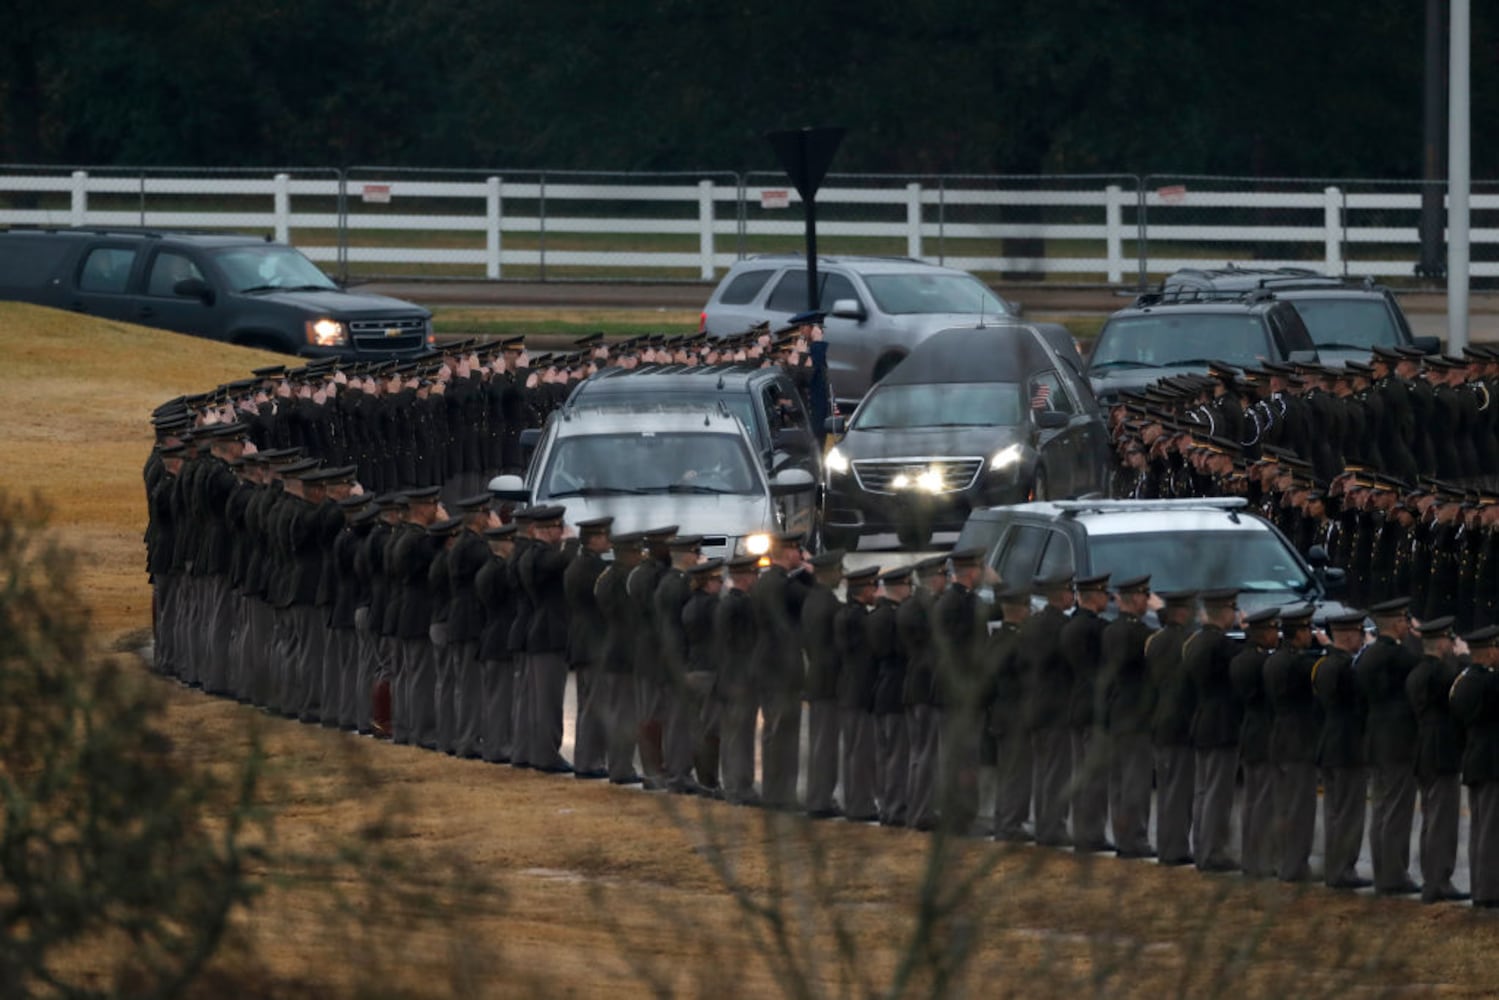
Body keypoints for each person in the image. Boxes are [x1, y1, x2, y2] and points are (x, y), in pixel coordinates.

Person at [1355, 597, 1423, 895]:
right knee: (1397, 810)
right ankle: (1395, 874)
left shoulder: (1367, 656)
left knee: (1381, 809)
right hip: (1398, 741)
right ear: (1397, 623)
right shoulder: (1400, 657)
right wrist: (1422, 641)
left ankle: (1383, 871)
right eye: (1405, 621)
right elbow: (1423, 674)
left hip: (1375, 737)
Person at [1406, 615, 1469, 903]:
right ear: (1441, 642)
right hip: (1442, 749)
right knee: (1442, 820)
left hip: (1422, 747)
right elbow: (1463, 687)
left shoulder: (1418, 671)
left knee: (1432, 819)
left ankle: (1432, 877)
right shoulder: (1441, 673)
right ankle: (1438, 880)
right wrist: (1465, 658)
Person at [1313, 610, 1373, 890]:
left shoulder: (1325, 664)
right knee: (1349, 814)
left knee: (1334, 812)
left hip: (1330, 743)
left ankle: (1334, 868)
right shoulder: (1348, 668)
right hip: (1349, 746)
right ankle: (1343, 870)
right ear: (1349, 635)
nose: (1361, 641)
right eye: (1359, 635)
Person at [750, 532, 810, 810]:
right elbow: (808, 602)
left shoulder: (764, 583)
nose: (801, 555)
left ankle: (775, 791)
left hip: (766, 663)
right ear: (787, 552)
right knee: (783, 733)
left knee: (774, 732)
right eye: (798, 550)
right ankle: (780, 793)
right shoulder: (783, 585)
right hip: (781, 667)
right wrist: (810, 574)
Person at [1184, 589, 1243, 873]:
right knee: (1217, 795)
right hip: (1222, 725)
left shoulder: (1195, 643)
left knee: (1203, 792)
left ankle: (1202, 849)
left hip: (1202, 720)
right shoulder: (1224, 647)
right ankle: (1212, 853)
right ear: (1227, 611)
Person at [1101, 575, 1156, 859]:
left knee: (1119, 781)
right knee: (1135, 780)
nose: (1148, 600)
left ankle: (1123, 835)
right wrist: (1165, 613)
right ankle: (1134, 837)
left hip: (1116, 711)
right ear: (1135, 598)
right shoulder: (1140, 634)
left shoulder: (1111, 631)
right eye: (1146, 595)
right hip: (1136, 714)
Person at [1021, 572, 1076, 848]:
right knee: (1056, 771)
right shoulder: (1062, 627)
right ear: (1062, 594)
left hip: (1035, 704)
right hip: (1056, 707)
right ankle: (1052, 826)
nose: (1072, 597)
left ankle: (1044, 823)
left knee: (1043, 771)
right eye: (1070, 591)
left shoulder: (1033, 624)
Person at [1061, 573, 1113, 854]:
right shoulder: (1098, 630)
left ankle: (1081, 829)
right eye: (1105, 594)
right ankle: (1092, 833)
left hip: (1075, 705)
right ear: (1096, 596)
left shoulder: (1070, 627)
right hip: (1094, 708)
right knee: (1095, 776)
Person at [1449, 624, 1499, 908]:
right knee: (1491, 830)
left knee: (1480, 828)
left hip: (1475, 757)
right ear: (1491, 651)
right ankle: (1489, 891)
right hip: (1492, 762)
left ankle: (1482, 885)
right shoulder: (1490, 683)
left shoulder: (1464, 681)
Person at [1148, 591, 1199, 866]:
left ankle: (1166, 845)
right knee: (1180, 792)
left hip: (1160, 722)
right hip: (1181, 724)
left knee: (1167, 790)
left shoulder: (1155, 642)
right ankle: (1175, 848)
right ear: (1183, 612)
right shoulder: (1187, 643)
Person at [1230, 607, 1281, 879]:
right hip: (1264, 733)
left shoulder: (1240, 659)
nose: (1278, 635)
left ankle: (1252, 857)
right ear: (1264, 633)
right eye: (1274, 629)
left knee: (1252, 800)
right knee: (1263, 800)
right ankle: (1261, 859)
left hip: (1249, 731)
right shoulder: (1263, 663)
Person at [564, 517, 614, 779]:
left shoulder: (577, 564)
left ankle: (586, 759)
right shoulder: (595, 569)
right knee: (595, 705)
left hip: (582, 639)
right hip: (594, 641)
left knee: (587, 704)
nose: (609, 540)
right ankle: (590, 762)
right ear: (593, 539)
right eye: (605, 536)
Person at [801, 549, 847, 819]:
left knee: (821, 743)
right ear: (828, 573)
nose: (842, 575)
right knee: (825, 746)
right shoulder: (828, 604)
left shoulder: (812, 600)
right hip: (828, 682)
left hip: (818, 678)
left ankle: (818, 797)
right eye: (839, 570)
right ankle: (819, 800)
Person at [715, 555, 763, 805]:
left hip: (728, 677)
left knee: (733, 736)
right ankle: (738, 787)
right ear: (745, 577)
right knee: (740, 737)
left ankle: (733, 783)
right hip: (740, 679)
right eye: (754, 575)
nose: (756, 579)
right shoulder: (742, 606)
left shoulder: (726, 603)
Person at [836, 565, 881, 824]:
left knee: (853, 751)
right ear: (865, 589)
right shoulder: (861, 619)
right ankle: (860, 804)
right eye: (874, 586)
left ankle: (854, 800)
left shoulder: (844, 614)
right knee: (862, 752)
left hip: (847, 689)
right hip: (861, 691)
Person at [868, 567, 913, 828]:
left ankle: (886, 804)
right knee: (897, 756)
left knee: (884, 755)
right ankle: (895, 808)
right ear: (903, 587)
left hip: (881, 690)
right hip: (896, 691)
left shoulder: (876, 616)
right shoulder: (895, 619)